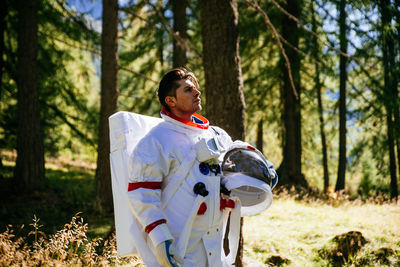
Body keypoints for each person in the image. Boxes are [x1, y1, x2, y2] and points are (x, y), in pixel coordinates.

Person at [127, 68, 236, 267]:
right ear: (171, 101)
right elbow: (142, 194)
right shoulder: (157, 141)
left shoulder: (215, 135)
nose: (197, 93)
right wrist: (161, 239)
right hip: (179, 247)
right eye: (188, 90)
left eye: (196, 88)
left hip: (214, 247)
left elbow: (233, 171)